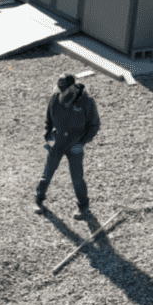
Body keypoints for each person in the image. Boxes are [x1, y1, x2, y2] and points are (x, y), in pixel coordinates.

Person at [35, 74, 100, 219]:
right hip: (58, 141)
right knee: (47, 173)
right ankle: (39, 200)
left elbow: (94, 125)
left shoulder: (87, 102)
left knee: (77, 178)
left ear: (72, 88)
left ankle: (83, 208)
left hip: (75, 144)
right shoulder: (55, 97)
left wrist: (81, 143)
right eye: (59, 89)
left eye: (63, 89)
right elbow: (49, 118)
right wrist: (48, 135)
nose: (61, 92)